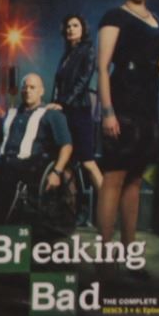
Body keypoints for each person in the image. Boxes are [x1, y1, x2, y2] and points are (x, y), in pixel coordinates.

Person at [96, 0, 159, 248]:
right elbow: (102, 67)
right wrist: (108, 112)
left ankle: (129, 253)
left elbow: (158, 62)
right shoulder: (115, 16)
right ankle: (104, 257)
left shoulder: (155, 19)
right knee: (114, 177)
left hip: (147, 108)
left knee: (136, 179)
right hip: (122, 102)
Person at [0, 73, 75, 230]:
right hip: (2, 160)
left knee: (4, 174)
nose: (28, 90)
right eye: (25, 87)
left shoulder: (52, 114)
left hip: (29, 164)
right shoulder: (11, 113)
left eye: (32, 87)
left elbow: (66, 145)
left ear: (41, 91)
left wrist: (56, 172)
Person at [51, 14, 103, 202]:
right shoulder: (66, 54)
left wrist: (63, 103)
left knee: (88, 162)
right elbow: (58, 84)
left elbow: (83, 81)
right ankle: (71, 210)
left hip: (79, 111)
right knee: (65, 163)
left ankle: (110, 210)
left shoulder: (88, 50)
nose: (71, 29)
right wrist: (54, 103)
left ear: (83, 29)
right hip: (64, 112)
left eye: (75, 25)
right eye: (68, 26)